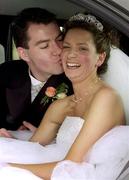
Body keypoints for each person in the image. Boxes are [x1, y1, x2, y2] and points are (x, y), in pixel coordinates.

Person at [0, 13, 127, 180]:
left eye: (82, 48)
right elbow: (31, 149)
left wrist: (8, 167)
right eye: (66, 46)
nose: (71, 54)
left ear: (100, 58)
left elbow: (71, 164)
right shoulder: (60, 106)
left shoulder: (106, 98)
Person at [0, 7, 73, 131]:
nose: (58, 50)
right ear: (24, 54)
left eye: (60, 40)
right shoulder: (6, 73)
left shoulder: (76, 79)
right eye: (45, 46)